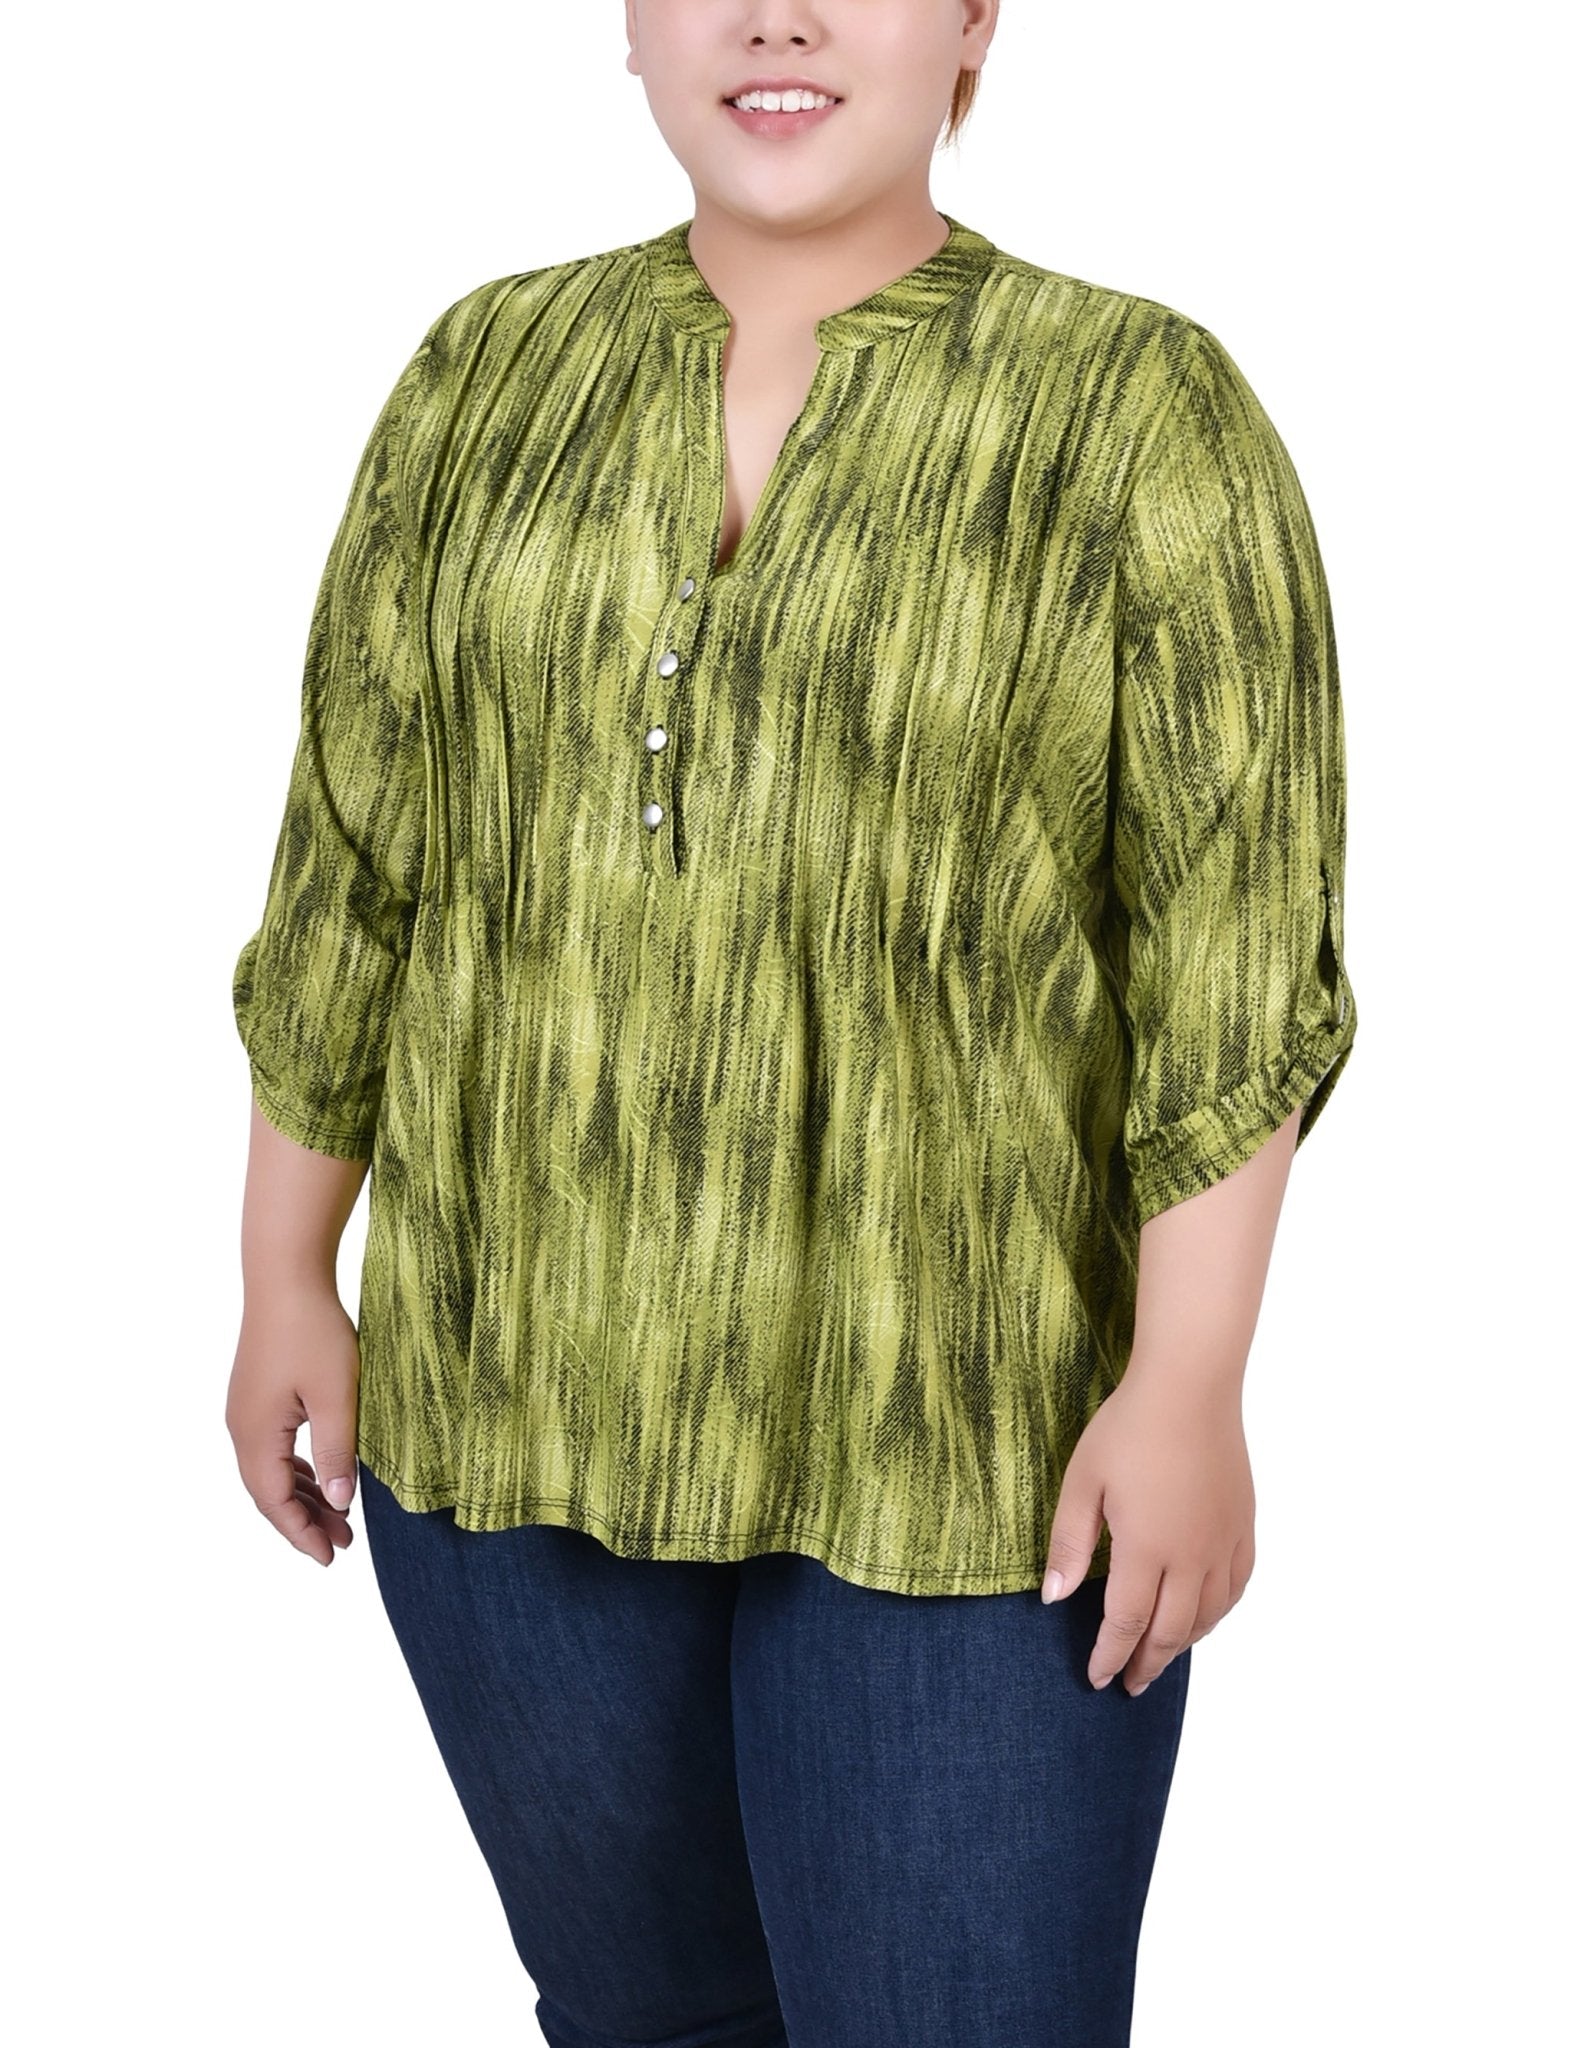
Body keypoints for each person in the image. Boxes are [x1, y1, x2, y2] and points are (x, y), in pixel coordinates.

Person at [225, 3, 1359, 2042]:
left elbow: (1235, 945)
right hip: (507, 1411)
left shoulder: (1138, 413)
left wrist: (1189, 1381)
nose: (777, 17)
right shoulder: (484, 378)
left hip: (971, 1444)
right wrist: (283, 1271)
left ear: (975, 19)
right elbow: (357, 862)